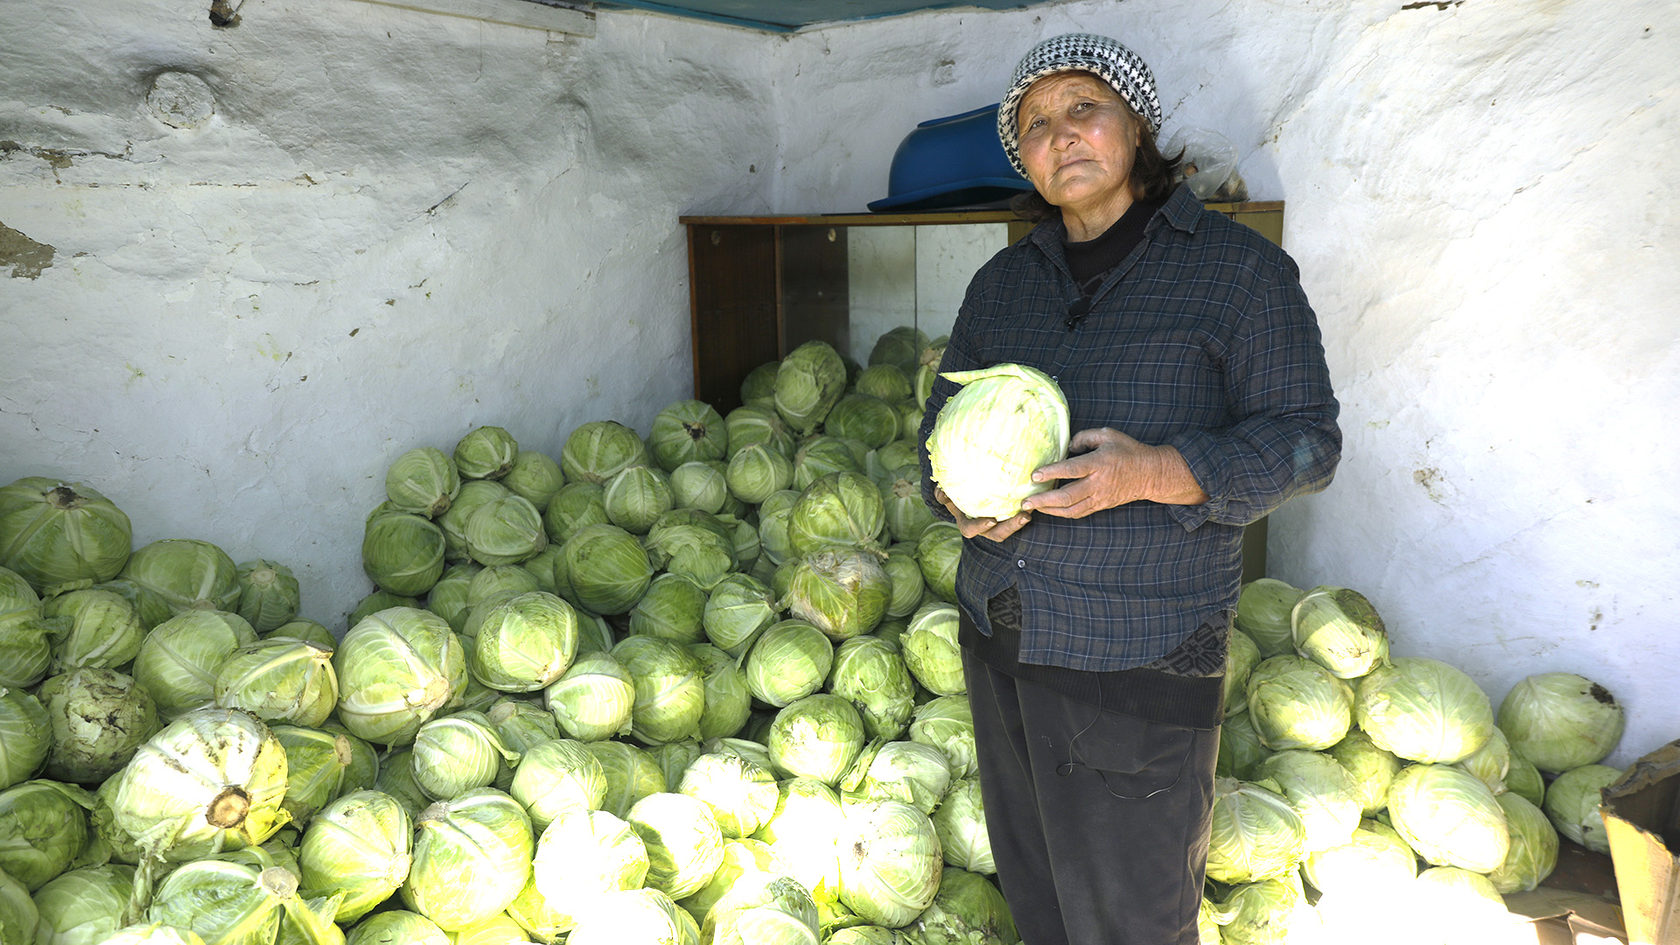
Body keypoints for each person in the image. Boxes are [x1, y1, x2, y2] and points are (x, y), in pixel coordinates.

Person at [915, 32, 1341, 945]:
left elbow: (1309, 442)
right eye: (1034, 126)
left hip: (1139, 656)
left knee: (1132, 921)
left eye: (1084, 109)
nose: (1060, 136)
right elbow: (936, 432)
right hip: (1001, 635)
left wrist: (1154, 470)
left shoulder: (1237, 272)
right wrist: (954, 497)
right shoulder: (1002, 285)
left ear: (1137, 127)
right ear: (1022, 159)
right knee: (1039, 899)